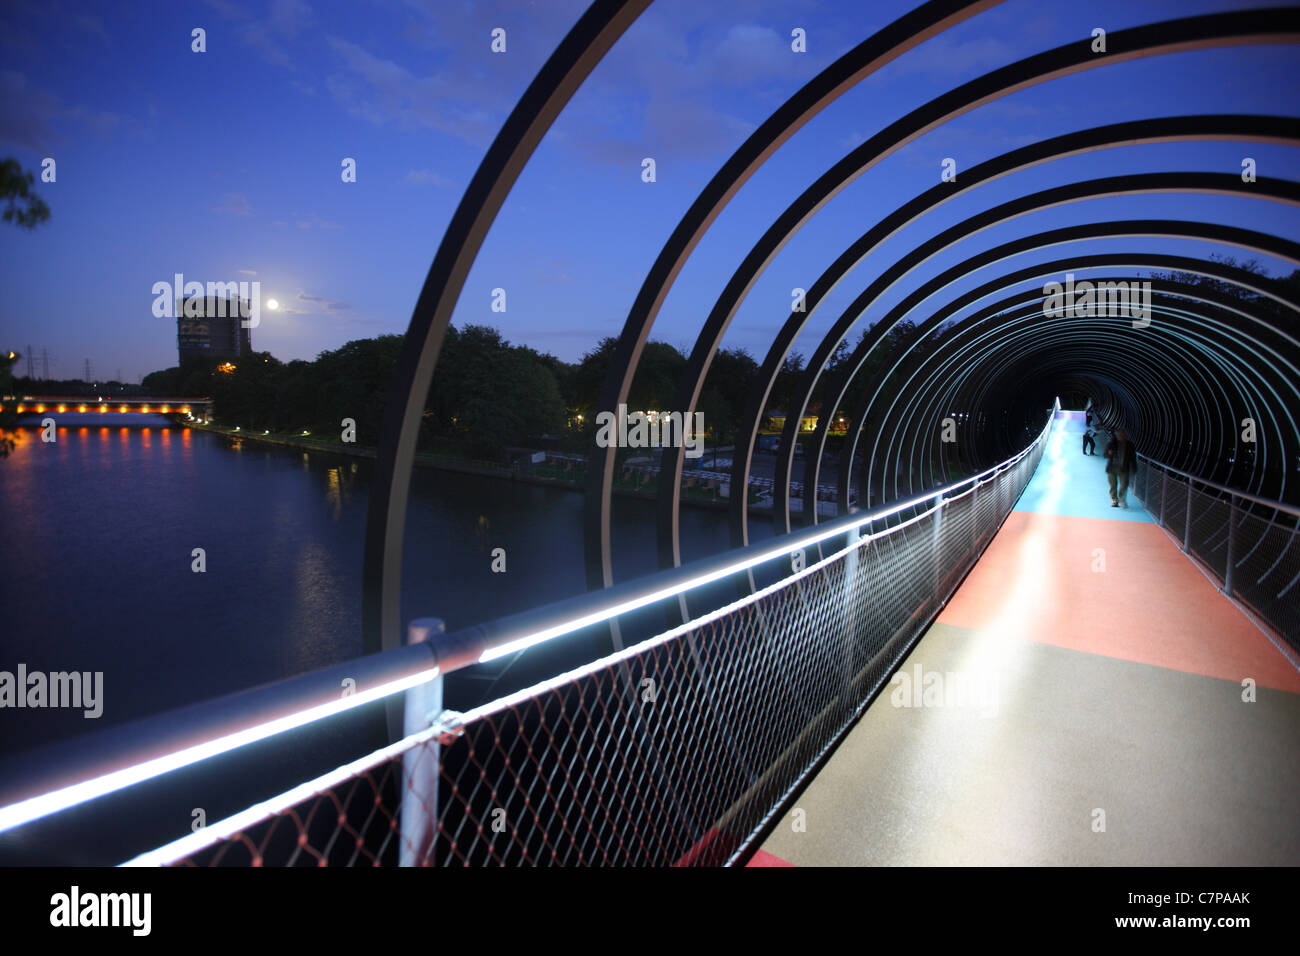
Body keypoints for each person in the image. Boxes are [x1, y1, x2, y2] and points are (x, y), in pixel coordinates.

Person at [1104, 428, 1137, 507]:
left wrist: (1134, 468)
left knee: (1124, 484)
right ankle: (1115, 500)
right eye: (1119, 435)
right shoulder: (1111, 444)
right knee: (1113, 485)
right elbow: (1105, 455)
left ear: (1125, 436)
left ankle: (1121, 499)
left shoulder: (1130, 445)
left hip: (1124, 468)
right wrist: (1109, 454)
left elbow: (1133, 457)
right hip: (1112, 468)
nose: (1121, 436)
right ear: (1117, 435)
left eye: (1122, 435)